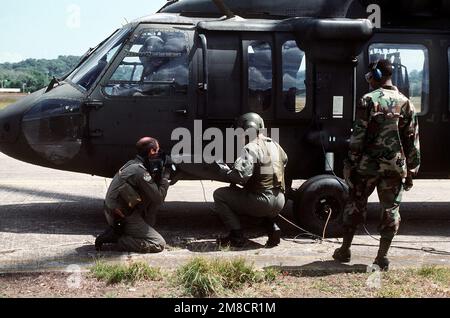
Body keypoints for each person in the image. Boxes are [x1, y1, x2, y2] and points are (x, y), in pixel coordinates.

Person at [333, 59, 421, 271]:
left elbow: (358, 137)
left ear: (376, 75)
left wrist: (350, 164)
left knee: (355, 204)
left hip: (367, 167)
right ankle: (381, 257)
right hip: (394, 168)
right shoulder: (406, 102)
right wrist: (412, 170)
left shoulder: (367, 100)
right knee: (390, 210)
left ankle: (345, 250)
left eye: (370, 76)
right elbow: (413, 140)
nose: (369, 80)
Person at [213, 113, 288, 248]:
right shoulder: (275, 144)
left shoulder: (250, 148)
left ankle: (236, 236)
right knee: (249, 194)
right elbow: (284, 161)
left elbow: (240, 176)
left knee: (220, 195)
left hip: (262, 201)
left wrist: (225, 171)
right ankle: (272, 228)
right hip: (280, 199)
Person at [95, 137, 171, 253]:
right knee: (158, 243)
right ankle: (119, 239)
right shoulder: (140, 172)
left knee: (150, 198)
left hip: (113, 211)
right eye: (157, 151)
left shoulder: (132, 164)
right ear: (151, 151)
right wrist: (165, 178)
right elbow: (158, 198)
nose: (158, 154)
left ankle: (133, 231)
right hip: (121, 216)